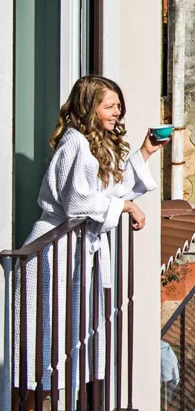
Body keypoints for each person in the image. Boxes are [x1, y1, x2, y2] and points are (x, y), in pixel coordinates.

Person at [14, 75, 162, 409]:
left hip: (74, 251)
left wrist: (144, 153)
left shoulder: (94, 144)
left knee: (70, 337)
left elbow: (111, 190)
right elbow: (77, 202)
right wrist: (125, 207)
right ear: (89, 106)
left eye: (118, 106)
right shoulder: (74, 143)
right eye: (109, 106)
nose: (117, 112)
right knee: (45, 342)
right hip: (53, 251)